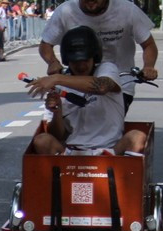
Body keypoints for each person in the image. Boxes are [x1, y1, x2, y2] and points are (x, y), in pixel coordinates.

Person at [25, 26, 146, 155]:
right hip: (71, 152)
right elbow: (57, 136)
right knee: (41, 140)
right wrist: (57, 111)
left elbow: (102, 87)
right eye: (75, 61)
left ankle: (125, 172)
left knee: (137, 137)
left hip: (110, 150)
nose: (81, 66)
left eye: (85, 60)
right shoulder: (59, 85)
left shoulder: (106, 69)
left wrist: (57, 78)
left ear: (95, 58)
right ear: (68, 61)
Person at [38, 0, 158, 113]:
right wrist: (52, 62)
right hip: (77, 79)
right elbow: (46, 44)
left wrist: (149, 66)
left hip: (119, 82)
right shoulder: (65, 11)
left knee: (102, 122)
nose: (90, 1)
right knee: (64, 120)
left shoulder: (127, 10)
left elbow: (148, 44)